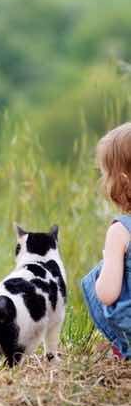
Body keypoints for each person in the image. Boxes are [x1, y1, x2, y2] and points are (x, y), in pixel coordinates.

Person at [81, 122, 131, 359]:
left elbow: (107, 294)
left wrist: (105, 270)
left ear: (122, 180)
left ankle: (123, 346)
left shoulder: (121, 230)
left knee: (97, 277)